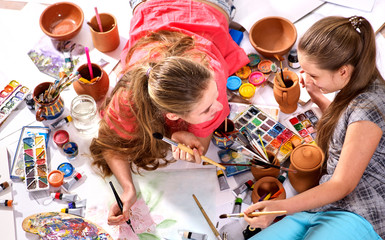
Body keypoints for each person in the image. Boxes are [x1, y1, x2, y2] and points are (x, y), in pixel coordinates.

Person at [89, 0, 249, 226]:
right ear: (173, 116)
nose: (221, 108)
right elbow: (110, 145)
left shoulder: (209, 74)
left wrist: (189, 140)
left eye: (214, 98)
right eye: (207, 108)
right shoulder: (128, 98)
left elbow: (200, 146)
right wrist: (127, 188)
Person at [244, 16, 385, 239]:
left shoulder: (369, 108)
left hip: (361, 209)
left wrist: (281, 207)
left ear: (343, 71)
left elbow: (343, 185)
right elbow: (346, 124)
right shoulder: (359, 81)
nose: (306, 78)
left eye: (313, 74)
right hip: (323, 201)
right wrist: (317, 95)